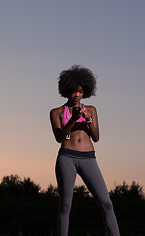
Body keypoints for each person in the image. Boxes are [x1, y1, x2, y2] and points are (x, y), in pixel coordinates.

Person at [50, 65, 120, 236]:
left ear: (85, 92)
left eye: (80, 92)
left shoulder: (91, 110)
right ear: (66, 90)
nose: (77, 95)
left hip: (89, 158)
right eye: (74, 91)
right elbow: (60, 137)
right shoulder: (57, 112)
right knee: (65, 205)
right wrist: (73, 119)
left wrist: (88, 121)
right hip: (67, 157)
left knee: (106, 203)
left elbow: (96, 137)